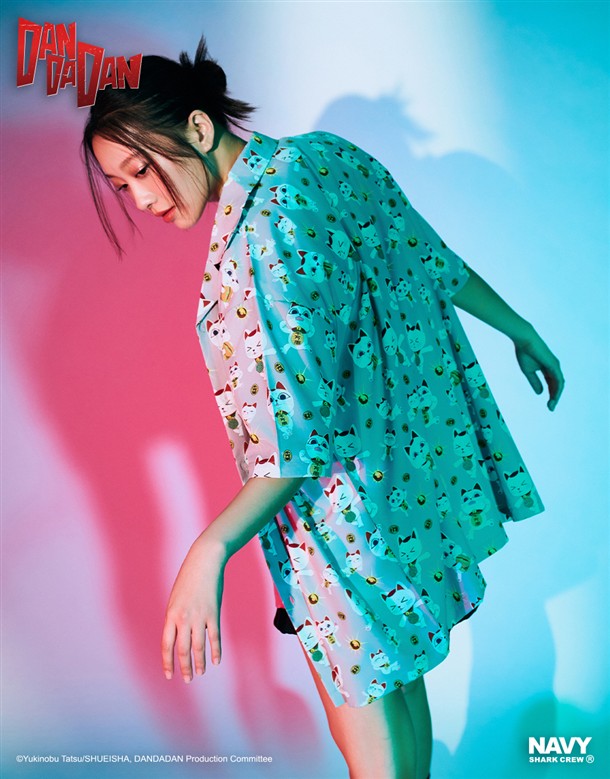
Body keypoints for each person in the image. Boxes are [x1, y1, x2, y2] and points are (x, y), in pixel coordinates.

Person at [82, 36, 564, 779]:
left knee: (370, 747)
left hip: (338, 534)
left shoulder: (261, 235)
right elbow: (426, 257)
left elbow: (296, 438)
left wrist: (208, 550)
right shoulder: (325, 158)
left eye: (141, 169)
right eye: (121, 186)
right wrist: (519, 327)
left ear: (199, 128)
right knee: (401, 709)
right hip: (401, 498)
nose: (141, 199)